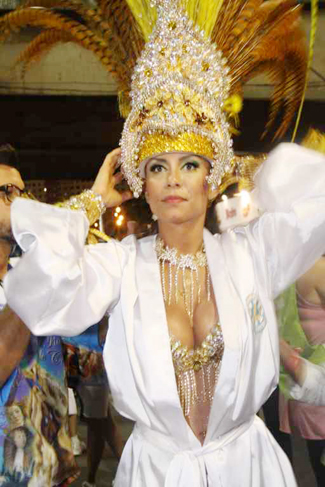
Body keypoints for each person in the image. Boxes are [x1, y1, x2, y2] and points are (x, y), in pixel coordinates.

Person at [2, 1, 325, 486]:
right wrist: (92, 200)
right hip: (157, 472)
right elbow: (40, 288)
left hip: (248, 468)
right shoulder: (118, 265)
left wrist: (260, 186)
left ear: (211, 179)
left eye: (190, 164)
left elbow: (314, 193)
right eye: (158, 167)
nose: (174, 179)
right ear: (143, 186)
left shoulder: (254, 253)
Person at [0, 145, 80, 486]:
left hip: (51, 468)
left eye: (21, 192)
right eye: (5, 192)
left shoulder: (27, 270)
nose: (18, 203)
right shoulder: (35, 276)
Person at [277, 257, 325, 486]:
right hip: (319, 387)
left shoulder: (283, 271)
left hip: (303, 390)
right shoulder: (318, 269)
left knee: (318, 465)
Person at [64, 319, 123, 487]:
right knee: (99, 421)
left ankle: (129, 471)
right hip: (65, 346)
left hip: (89, 349)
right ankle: (91, 478)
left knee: (100, 422)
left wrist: (103, 333)